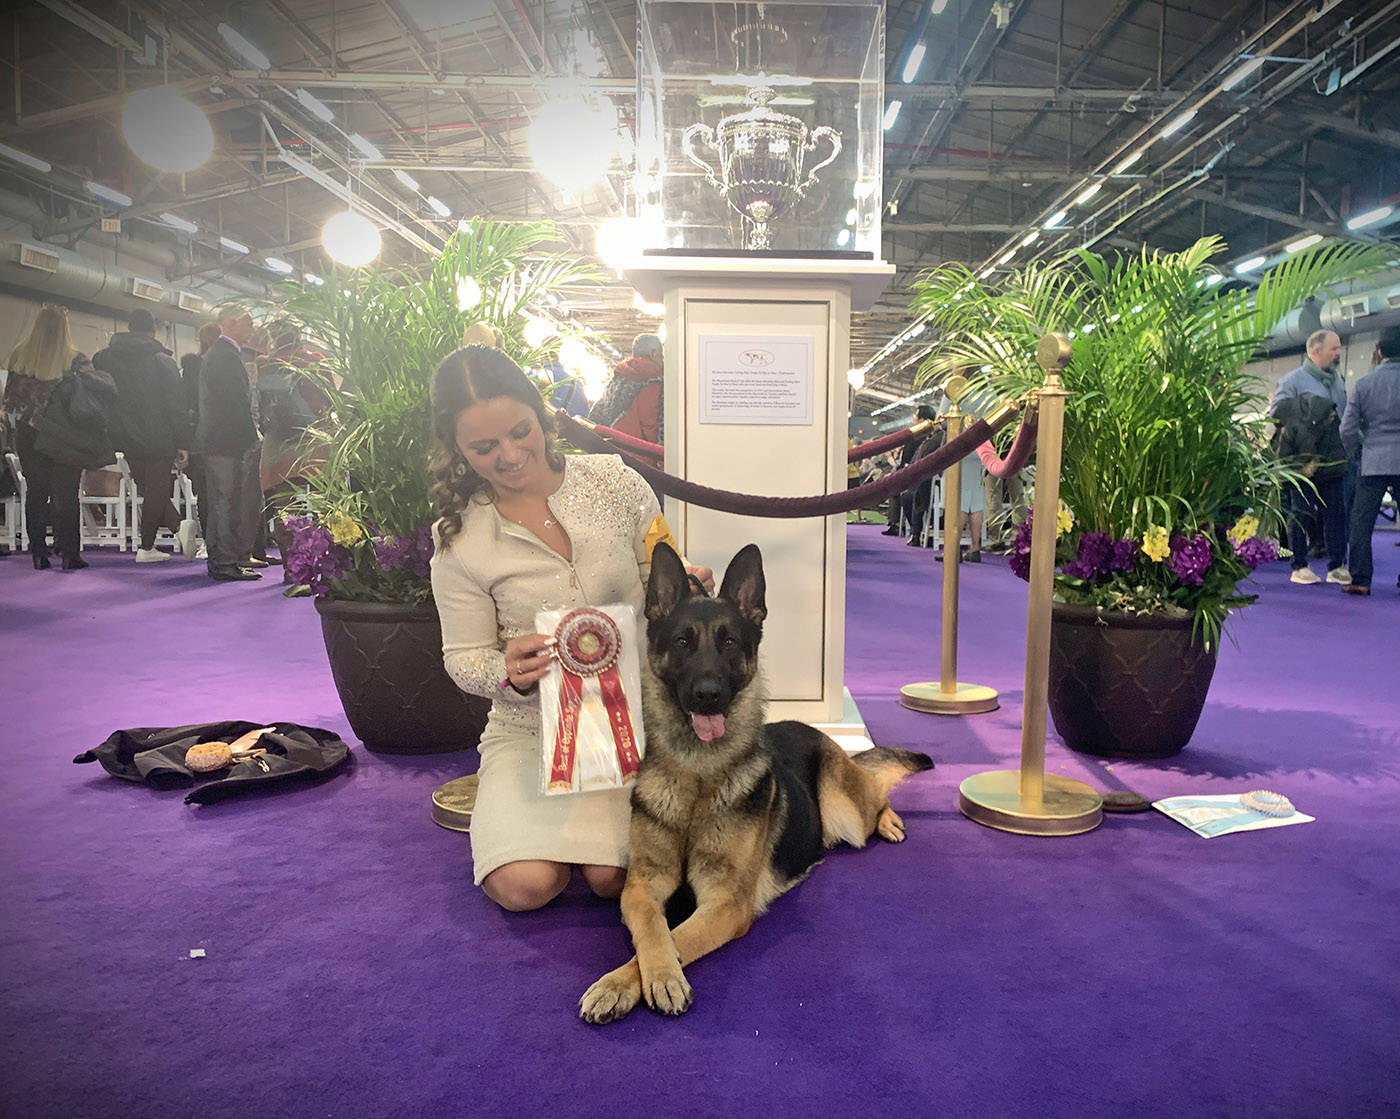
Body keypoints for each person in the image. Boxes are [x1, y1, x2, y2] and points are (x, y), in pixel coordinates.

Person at [428, 345, 712, 912]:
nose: (511, 455)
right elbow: (461, 657)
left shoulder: (617, 481)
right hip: (529, 730)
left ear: (542, 415)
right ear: (457, 448)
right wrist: (506, 671)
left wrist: (688, 586)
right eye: (484, 447)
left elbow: (661, 572)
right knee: (524, 888)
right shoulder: (458, 538)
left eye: (520, 432)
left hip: (636, 718)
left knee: (613, 878)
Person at [93, 308, 197, 563]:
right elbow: (175, 404)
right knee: (157, 488)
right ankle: (147, 546)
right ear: (153, 330)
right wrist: (183, 442)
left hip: (123, 433)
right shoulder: (162, 361)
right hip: (159, 434)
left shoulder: (104, 359)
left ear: (129, 327)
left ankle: (178, 526)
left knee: (149, 487)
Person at [2, 304, 98, 571]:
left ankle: (39, 553)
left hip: (28, 434)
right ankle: (68, 552)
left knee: (36, 492)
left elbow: (10, 401)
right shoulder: (75, 359)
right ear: (65, 328)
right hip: (63, 435)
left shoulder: (19, 355)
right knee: (66, 494)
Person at [1270, 329, 1351, 585]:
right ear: (1315, 351)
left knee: (1336, 513)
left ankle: (1337, 565)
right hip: (1303, 462)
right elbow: (1277, 414)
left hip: (1333, 458)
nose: (1338, 353)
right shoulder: (1292, 381)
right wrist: (1313, 414)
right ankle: (1299, 566)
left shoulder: (1337, 380)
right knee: (1301, 512)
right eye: (1334, 348)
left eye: (1339, 348)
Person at [196, 305, 262, 582]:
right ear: (232, 323)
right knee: (225, 503)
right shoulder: (226, 356)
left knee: (225, 502)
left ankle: (226, 560)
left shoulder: (221, 353)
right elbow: (233, 403)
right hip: (225, 441)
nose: (252, 327)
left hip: (220, 441)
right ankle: (224, 562)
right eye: (248, 321)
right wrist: (251, 436)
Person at [1338, 326, 1400, 596]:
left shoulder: (1364, 385)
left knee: (1361, 523)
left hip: (1373, 460)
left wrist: (1357, 454)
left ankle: (1361, 579)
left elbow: (1346, 430)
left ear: (1380, 351)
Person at [589, 333, 663, 445]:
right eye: (661, 355)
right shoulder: (660, 381)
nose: (662, 359)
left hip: (614, 447)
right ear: (654, 353)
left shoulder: (618, 378)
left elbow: (596, 415)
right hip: (646, 451)